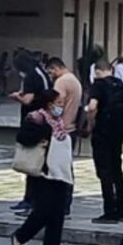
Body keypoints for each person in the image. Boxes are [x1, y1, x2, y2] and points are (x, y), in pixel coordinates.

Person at [11, 89, 73, 245]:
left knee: (57, 213)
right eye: (59, 103)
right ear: (49, 104)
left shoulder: (59, 122)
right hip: (42, 171)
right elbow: (23, 138)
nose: (61, 106)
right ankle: (21, 236)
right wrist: (45, 133)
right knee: (44, 210)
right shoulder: (37, 119)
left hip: (59, 171)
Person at [87, 59, 123, 224]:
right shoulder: (122, 86)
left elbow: (92, 107)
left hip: (102, 133)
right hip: (118, 133)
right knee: (117, 170)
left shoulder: (98, 85)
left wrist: (90, 123)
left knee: (104, 172)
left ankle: (109, 210)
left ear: (98, 71)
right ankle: (120, 209)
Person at [8, 49, 51, 215]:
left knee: (31, 162)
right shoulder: (42, 72)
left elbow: (28, 99)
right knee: (38, 162)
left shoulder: (31, 76)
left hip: (33, 122)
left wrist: (16, 97)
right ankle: (32, 198)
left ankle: (30, 199)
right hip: (43, 119)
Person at [48, 57, 82, 216]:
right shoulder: (74, 80)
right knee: (67, 168)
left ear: (56, 68)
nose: (51, 75)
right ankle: (65, 203)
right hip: (71, 128)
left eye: (51, 71)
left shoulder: (61, 82)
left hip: (61, 130)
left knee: (57, 168)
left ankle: (58, 204)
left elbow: (57, 104)